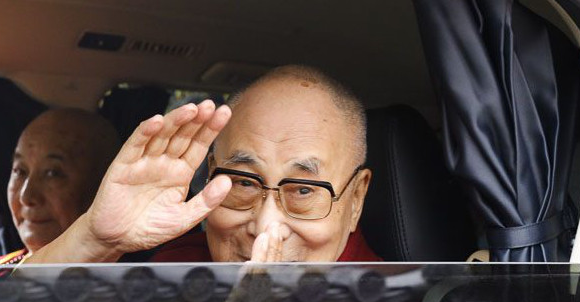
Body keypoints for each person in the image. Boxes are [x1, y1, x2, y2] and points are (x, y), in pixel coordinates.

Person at [27, 64, 381, 265]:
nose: (265, 228)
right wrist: (94, 239)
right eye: (244, 183)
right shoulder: (180, 268)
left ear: (356, 200)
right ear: (210, 173)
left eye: (304, 190)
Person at [0, 108, 121, 302]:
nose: (26, 196)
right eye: (20, 171)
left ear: (101, 188)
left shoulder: (122, 288)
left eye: (53, 173)